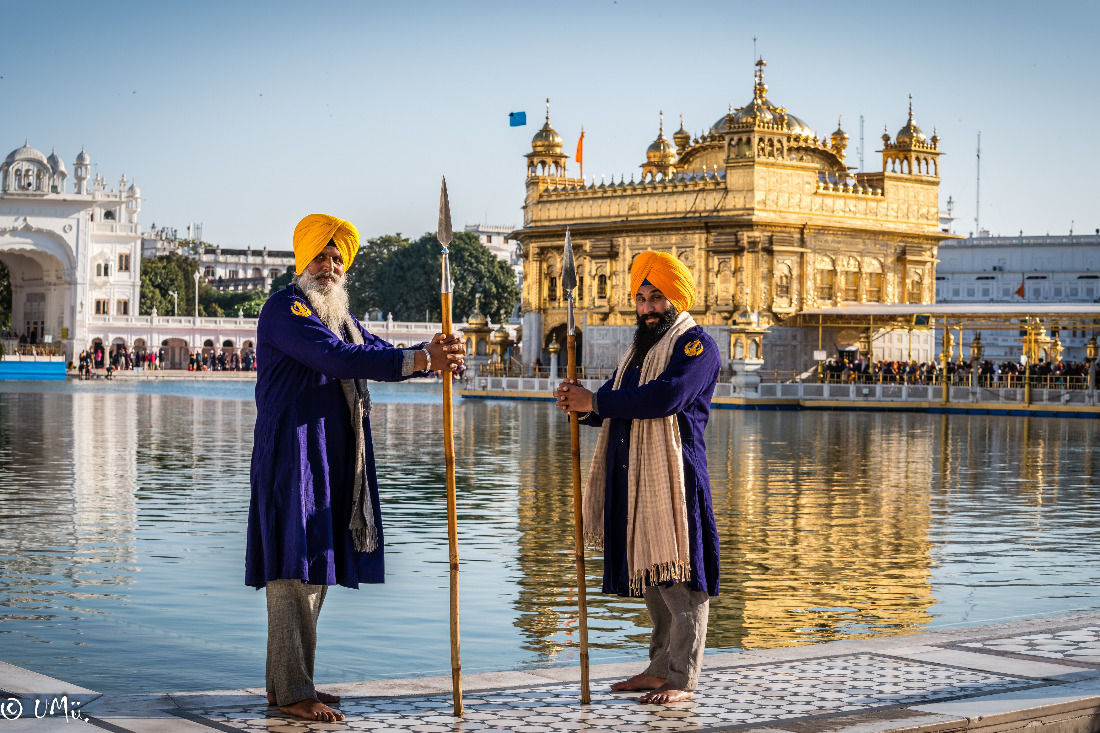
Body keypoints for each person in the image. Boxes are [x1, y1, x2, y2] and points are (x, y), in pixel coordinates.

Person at [245, 213, 464, 723]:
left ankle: (288, 685)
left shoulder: (338, 316)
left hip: (328, 455)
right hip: (291, 455)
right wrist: (421, 359)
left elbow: (374, 352)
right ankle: (294, 690)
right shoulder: (286, 309)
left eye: (338, 258)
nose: (330, 265)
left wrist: (433, 357)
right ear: (303, 261)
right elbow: (340, 360)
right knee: (293, 572)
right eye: (321, 256)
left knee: (313, 568)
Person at [554, 250, 720, 705]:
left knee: (681, 580)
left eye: (657, 297)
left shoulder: (697, 346)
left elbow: (666, 398)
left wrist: (598, 402)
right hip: (637, 475)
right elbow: (613, 400)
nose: (647, 307)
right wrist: (580, 404)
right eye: (642, 298)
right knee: (653, 576)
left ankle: (683, 679)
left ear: (677, 300)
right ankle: (658, 668)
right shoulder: (637, 354)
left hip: (676, 479)